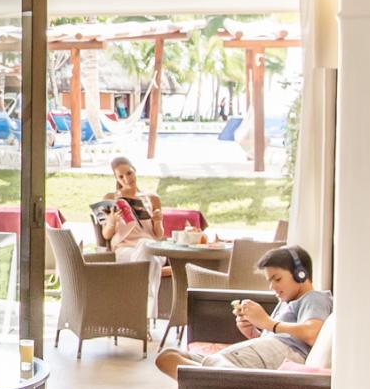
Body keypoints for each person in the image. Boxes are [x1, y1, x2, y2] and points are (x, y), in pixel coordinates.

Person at [155, 244, 331, 377]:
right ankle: (212, 384)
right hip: (270, 350)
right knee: (167, 357)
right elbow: (272, 341)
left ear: (301, 274)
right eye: (270, 281)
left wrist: (268, 323)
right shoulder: (286, 302)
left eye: (277, 279)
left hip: (286, 351)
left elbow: (312, 332)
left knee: (209, 368)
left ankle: (213, 384)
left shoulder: (314, 298)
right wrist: (253, 332)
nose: (272, 287)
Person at [89, 156, 161, 252]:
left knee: (147, 250)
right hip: (124, 248)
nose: (127, 179)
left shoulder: (153, 198)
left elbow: (159, 235)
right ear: (116, 178)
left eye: (129, 173)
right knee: (148, 256)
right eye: (121, 177)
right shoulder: (110, 198)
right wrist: (111, 222)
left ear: (134, 170)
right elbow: (106, 235)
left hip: (149, 245)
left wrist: (158, 221)